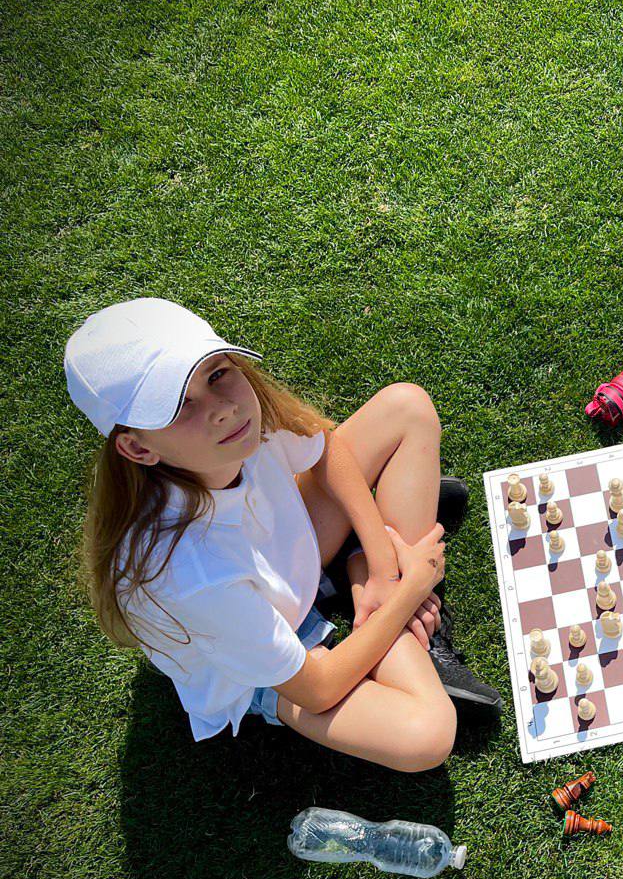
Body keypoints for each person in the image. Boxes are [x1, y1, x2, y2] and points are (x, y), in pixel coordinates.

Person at [66, 299, 500, 772]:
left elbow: (324, 445)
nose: (223, 409)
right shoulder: (191, 575)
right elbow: (316, 687)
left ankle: (359, 576)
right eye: (178, 406)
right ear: (137, 446)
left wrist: (379, 563)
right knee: (428, 736)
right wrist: (411, 586)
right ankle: (396, 619)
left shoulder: (238, 426)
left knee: (406, 406)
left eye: (216, 375)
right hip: (268, 671)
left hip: (286, 562)